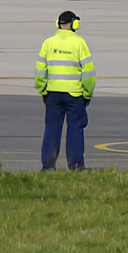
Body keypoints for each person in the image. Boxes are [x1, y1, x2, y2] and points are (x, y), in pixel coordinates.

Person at [35, 10, 96, 171]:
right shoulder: (79, 43)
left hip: (53, 92)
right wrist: (87, 93)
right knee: (75, 127)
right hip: (74, 94)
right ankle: (75, 165)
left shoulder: (48, 43)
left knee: (52, 128)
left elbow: (40, 70)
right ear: (75, 24)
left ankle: (48, 166)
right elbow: (88, 73)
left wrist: (43, 89)